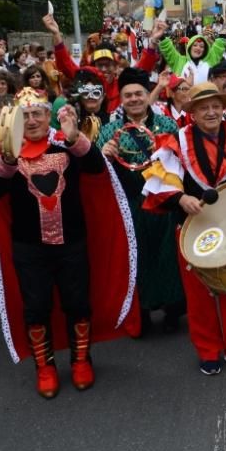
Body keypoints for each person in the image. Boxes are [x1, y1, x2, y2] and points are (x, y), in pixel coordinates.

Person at [0, 88, 137, 398]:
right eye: (24, 116)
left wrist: (75, 138)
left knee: (77, 303)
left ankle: (82, 360)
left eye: (37, 114)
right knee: (36, 307)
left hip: (72, 243)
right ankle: (45, 366)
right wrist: (9, 161)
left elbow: (96, 168)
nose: (32, 121)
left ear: (47, 115)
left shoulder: (65, 144)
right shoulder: (8, 150)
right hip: (29, 247)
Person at [142, 82, 226, 376]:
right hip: (193, 226)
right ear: (194, 113)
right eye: (204, 108)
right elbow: (164, 180)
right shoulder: (178, 141)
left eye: (215, 106)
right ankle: (208, 350)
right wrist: (181, 197)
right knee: (199, 294)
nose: (211, 112)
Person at [97, 68, 185, 335]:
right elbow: (99, 173)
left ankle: (172, 310)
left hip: (164, 202)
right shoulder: (110, 130)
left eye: (139, 94)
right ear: (120, 99)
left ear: (149, 96)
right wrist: (104, 154)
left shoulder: (168, 125)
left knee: (167, 257)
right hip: (130, 204)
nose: (134, 99)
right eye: (128, 95)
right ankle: (141, 313)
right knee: (138, 261)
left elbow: (179, 162)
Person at [44, 14, 124, 111]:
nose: (103, 69)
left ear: (115, 67)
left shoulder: (123, 85)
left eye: (107, 65)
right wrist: (56, 34)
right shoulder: (84, 80)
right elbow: (65, 64)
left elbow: (143, 68)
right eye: (99, 65)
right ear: (93, 67)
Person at [154, 21, 226, 84]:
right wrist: (161, 36)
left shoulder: (211, 60)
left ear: (205, 50)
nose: (198, 48)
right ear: (189, 47)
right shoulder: (179, 61)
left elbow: (220, 44)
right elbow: (168, 49)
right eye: (195, 45)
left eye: (201, 46)